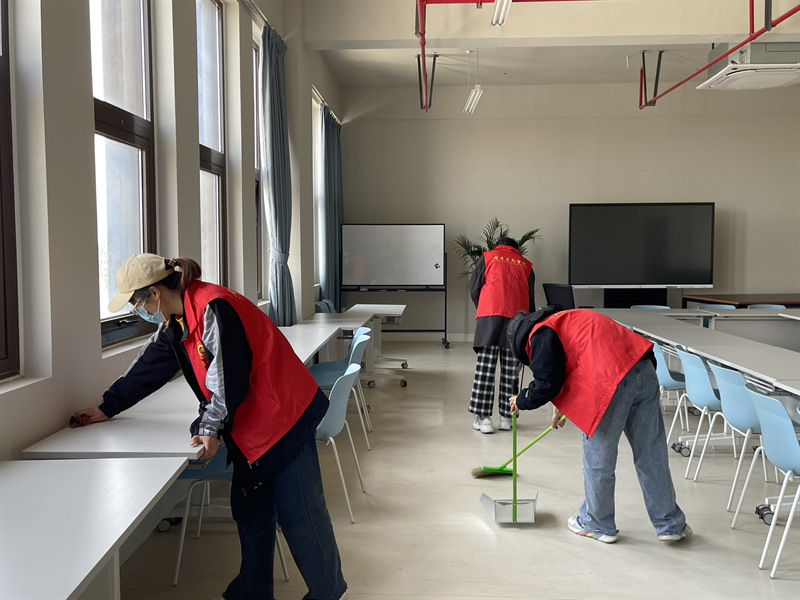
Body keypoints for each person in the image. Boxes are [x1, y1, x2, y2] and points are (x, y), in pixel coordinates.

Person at [72, 254, 347, 600]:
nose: (139, 311)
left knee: (301, 514)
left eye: (137, 303)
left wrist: (210, 427)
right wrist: (106, 407)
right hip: (252, 424)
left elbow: (228, 377)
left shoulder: (212, 307)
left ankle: (328, 593)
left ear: (154, 293)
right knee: (250, 512)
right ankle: (252, 593)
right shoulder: (179, 320)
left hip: (284, 417)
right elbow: (148, 367)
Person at [507, 306, 691, 544]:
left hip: (611, 382)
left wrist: (521, 400)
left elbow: (547, 383)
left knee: (598, 456)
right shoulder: (568, 319)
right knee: (651, 453)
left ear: (520, 341)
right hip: (644, 370)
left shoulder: (539, 334)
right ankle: (671, 524)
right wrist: (562, 406)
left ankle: (597, 523)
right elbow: (575, 364)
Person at [468, 237, 535, 433]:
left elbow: (474, 288)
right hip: (517, 320)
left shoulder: (488, 257)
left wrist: (484, 307)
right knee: (511, 371)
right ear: (516, 249)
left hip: (489, 316)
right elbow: (530, 299)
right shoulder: (526, 265)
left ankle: (484, 419)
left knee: (485, 369)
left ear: (498, 246)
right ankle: (507, 416)